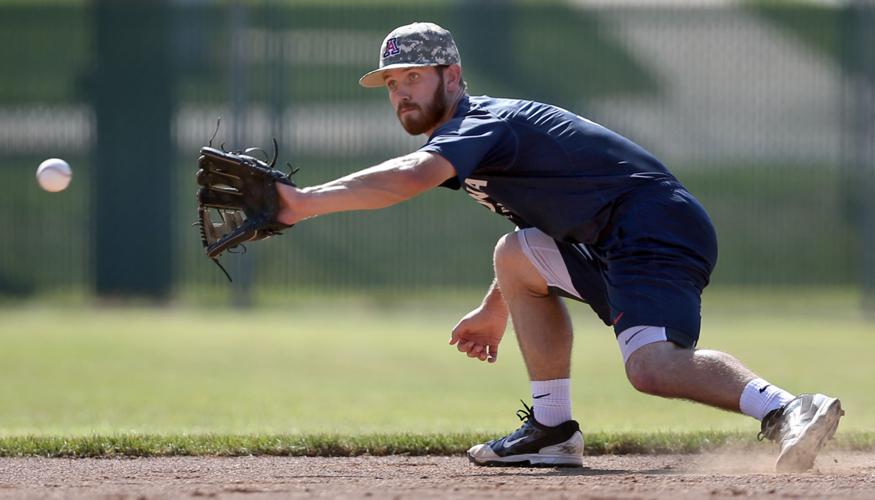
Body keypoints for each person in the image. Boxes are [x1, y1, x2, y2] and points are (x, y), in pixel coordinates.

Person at [275, 22, 843, 472]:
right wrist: (494, 310)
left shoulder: (481, 120)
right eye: (392, 84)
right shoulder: (467, 135)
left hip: (650, 225)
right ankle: (552, 431)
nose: (400, 94)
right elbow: (538, 225)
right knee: (516, 253)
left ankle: (788, 408)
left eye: (413, 77)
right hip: (607, 237)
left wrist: (300, 202)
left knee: (650, 369)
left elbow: (406, 178)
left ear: (452, 76)